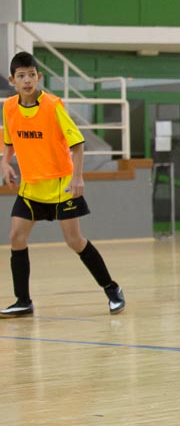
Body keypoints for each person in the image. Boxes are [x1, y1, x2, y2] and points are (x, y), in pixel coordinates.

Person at [0, 51, 126, 317]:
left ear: (38, 77)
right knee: (16, 238)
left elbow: (78, 144)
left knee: (74, 240)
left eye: (31, 75)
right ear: (12, 80)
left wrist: (77, 177)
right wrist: (5, 163)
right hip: (31, 185)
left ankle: (112, 288)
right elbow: (9, 142)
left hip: (60, 185)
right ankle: (23, 301)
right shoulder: (9, 107)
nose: (27, 80)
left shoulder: (53, 105)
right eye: (21, 76)